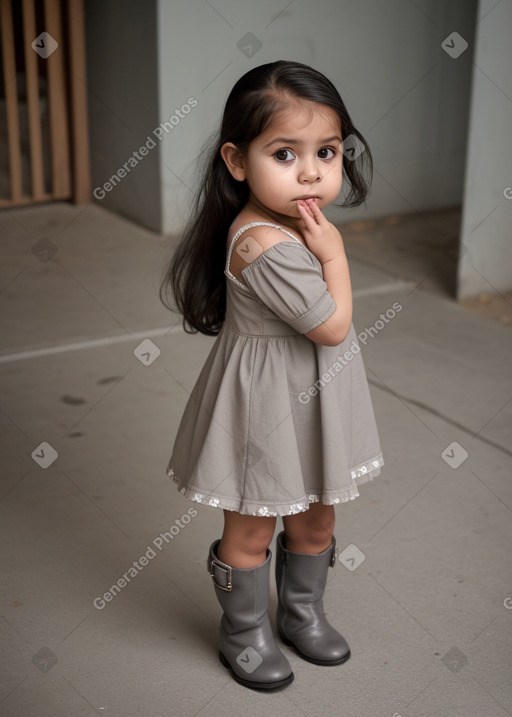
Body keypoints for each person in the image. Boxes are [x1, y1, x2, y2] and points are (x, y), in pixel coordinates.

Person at [159, 60, 384, 692]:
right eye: (285, 153)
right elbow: (332, 327)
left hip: (313, 396)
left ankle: (302, 611)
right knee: (254, 524)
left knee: (316, 515)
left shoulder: (294, 224)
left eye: (328, 151)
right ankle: (244, 630)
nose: (311, 171)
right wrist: (334, 254)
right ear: (237, 161)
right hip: (268, 404)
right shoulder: (265, 245)